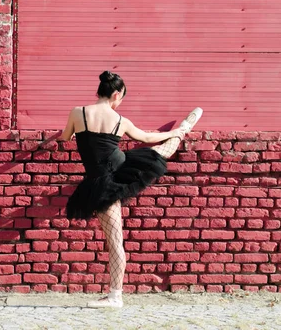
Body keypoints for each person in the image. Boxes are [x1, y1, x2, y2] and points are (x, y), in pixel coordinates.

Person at [60, 71, 203, 308]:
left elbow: (65, 137)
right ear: (116, 94)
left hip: (105, 178)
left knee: (115, 241)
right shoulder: (120, 121)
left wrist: (79, 133)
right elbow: (147, 137)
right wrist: (172, 132)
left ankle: (115, 297)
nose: (120, 102)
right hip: (117, 169)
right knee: (161, 151)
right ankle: (183, 130)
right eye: (121, 98)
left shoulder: (78, 112)